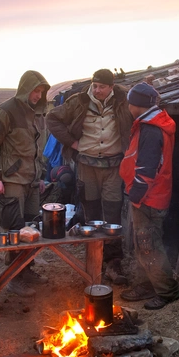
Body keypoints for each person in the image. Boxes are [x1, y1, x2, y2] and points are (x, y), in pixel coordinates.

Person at [46, 69, 133, 285]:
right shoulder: (79, 101)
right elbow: (52, 118)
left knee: (113, 213)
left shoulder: (123, 101)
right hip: (86, 164)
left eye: (102, 86)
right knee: (90, 212)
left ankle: (113, 263)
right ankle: (94, 263)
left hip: (114, 166)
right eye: (95, 85)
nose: (97, 90)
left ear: (111, 87)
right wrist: (71, 142)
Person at [0, 71, 50, 297]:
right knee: (14, 230)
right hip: (11, 180)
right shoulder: (6, 111)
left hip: (31, 181)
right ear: (25, 89)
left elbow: (37, 151)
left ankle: (26, 269)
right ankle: (13, 277)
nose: (37, 95)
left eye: (40, 92)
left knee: (31, 229)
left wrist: (39, 177)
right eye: (34, 90)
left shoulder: (39, 114)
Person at [119, 83, 179, 310]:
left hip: (148, 198)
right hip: (151, 196)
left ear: (136, 105)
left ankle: (167, 292)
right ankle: (147, 285)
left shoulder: (151, 130)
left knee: (149, 245)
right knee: (143, 243)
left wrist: (135, 195)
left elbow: (147, 170)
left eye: (129, 102)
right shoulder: (151, 124)